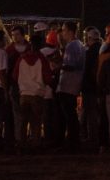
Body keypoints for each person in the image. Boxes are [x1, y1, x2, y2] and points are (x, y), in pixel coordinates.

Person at [11, 32, 52, 153]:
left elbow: (14, 75)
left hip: (24, 93)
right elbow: (47, 78)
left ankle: (22, 144)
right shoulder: (42, 60)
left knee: (23, 121)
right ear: (40, 44)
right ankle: (35, 144)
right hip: (37, 93)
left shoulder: (21, 58)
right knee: (36, 122)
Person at [56, 21, 85, 153]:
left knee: (68, 115)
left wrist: (57, 65)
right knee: (70, 114)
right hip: (74, 85)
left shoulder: (72, 46)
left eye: (64, 30)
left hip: (68, 84)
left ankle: (72, 142)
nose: (62, 33)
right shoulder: (79, 45)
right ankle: (73, 141)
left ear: (71, 32)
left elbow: (71, 65)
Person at [80, 27, 102, 144]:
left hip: (89, 86)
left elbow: (86, 70)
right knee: (93, 112)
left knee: (90, 113)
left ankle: (92, 137)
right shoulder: (103, 50)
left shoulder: (89, 53)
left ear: (89, 38)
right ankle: (90, 135)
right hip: (100, 86)